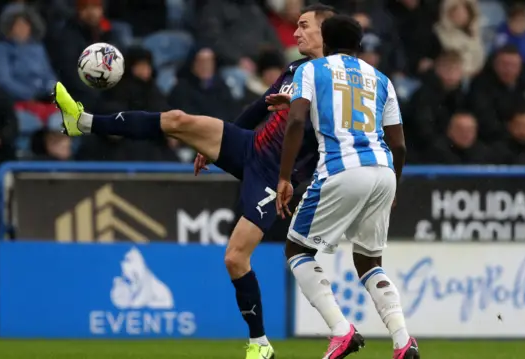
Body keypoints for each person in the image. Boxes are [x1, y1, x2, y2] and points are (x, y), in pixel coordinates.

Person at [52, 4, 337, 359]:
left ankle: (259, 344)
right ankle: (84, 121)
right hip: (250, 146)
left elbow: (329, 142)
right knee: (177, 119)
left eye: (304, 26)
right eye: (295, 26)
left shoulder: (332, 81)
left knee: (235, 258)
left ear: (326, 32)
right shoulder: (297, 68)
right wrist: (220, 142)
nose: (295, 34)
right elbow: (260, 106)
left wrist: (295, 180)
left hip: (275, 176)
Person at [271, 15, 418, 359]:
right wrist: (394, 183)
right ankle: (402, 341)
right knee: (369, 260)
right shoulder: (381, 79)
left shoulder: (313, 69)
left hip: (341, 168)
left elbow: (295, 120)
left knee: (297, 250)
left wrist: (284, 176)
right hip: (382, 170)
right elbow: (399, 145)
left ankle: (341, 331)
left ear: (326, 38)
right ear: (359, 44)